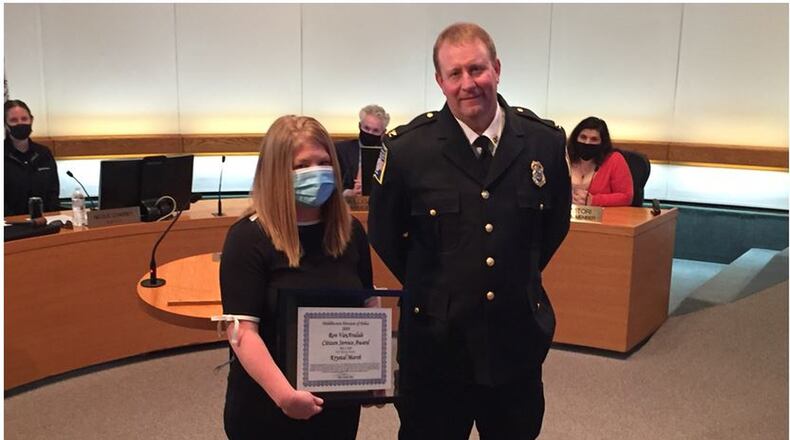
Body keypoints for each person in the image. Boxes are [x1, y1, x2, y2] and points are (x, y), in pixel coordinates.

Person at [368, 22, 571, 440]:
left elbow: (553, 226)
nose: (468, 83)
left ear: (496, 68)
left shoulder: (542, 142)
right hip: (435, 346)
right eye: (455, 74)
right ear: (439, 81)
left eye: (477, 69)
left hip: (514, 340)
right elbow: (384, 234)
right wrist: (440, 286)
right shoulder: (407, 149)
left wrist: (514, 275)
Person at [217, 115, 373, 439]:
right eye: (301, 166)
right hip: (268, 406)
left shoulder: (350, 232)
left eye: (324, 162)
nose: (316, 172)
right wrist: (285, 396)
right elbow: (243, 333)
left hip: (336, 405)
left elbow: (367, 306)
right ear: (277, 174)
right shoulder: (248, 237)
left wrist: (371, 374)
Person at [4, 99, 61, 216]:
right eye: (14, 120)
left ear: (31, 120)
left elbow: (53, 192)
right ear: (6, 125)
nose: (20, 123)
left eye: (24, 119)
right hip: (11, 226)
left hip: (46, 223)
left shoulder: (44, 153)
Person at [567, 116, 633, 206]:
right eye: (583, 137)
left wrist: (594, 200)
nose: (587, 142)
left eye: (594, 139)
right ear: (575, 138)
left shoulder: (614, 159)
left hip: (604, 217)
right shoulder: (564, 157)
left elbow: (626, 197)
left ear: (603, 143)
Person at [336, 104, 390, 197]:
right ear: (359, 126)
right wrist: (348, 193)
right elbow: (333, 185)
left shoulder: (389, 154)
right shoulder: (340, 150)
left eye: (375, 130)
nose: (370, 133)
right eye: (366, 128)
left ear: (383, 133)